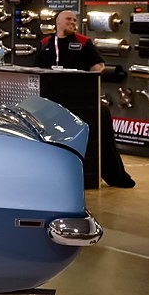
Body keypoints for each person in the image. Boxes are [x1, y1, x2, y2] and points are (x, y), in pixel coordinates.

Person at [36, 10, 134, 188]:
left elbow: (99, 66)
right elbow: (37, 68)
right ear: (58, 22)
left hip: (80, 99)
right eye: (68, 19)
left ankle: (113, 174)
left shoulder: (83, 42)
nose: (73, 22)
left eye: (75, 20)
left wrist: (85, 80)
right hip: (53, 99)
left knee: (101, 121)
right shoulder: (45, 43)